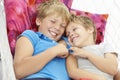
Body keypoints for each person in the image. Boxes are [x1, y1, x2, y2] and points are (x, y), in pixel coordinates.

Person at [13, 0, 70, 80]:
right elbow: (19, 71)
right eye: (53, 21)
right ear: (39, 21)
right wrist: (54, 51)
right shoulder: (31, 36)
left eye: (62, 26)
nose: (57, 28)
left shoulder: (66, 43)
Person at [65, 14, 118, 80]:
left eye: (74, 29)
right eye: (68, 34)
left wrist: (87, 55)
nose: (71, 34)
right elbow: (72, 72)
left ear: (89, 29)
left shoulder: (104, 47)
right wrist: (98, 78)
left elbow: (112, 69)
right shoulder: (73, 52)